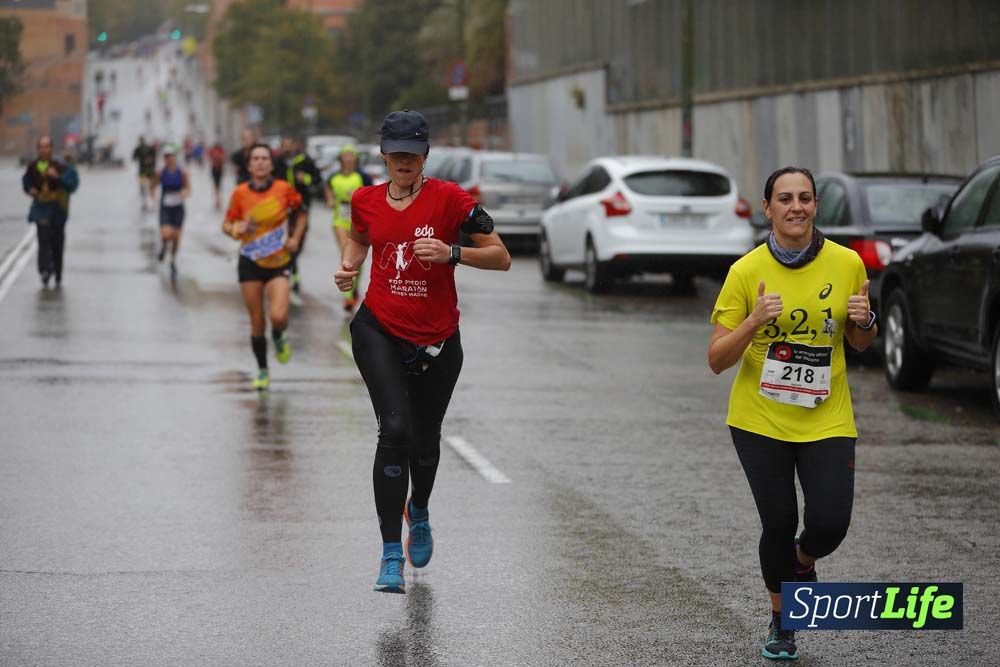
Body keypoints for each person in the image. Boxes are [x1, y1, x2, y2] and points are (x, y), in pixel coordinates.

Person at [334, 110, 511, 594]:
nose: (404, 160)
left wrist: (454, 253)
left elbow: (502, 257)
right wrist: (350, 266)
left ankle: (421, 511)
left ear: (425, 155)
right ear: (383, 155)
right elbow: (359, 236)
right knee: (394, 431)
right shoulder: (365, 199)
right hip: (380, 329)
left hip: (437, 340)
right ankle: (391, 555)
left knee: (425, 441)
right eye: (396, 152)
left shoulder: (451, 200)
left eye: (413, 152)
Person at [707, 166, 877, 661]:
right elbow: (717, 359)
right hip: (760, 419)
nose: (796, 207)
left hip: (826, 415)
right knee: (779, 521)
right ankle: (783, 622)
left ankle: (803, 562)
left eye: (805, 198)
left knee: (829, 523)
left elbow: (861, 342)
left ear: (815, 206)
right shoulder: (745, 272)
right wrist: (755, 320)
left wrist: (864, 321)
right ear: (768, 209)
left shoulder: (847, 264)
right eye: (785, 198)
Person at [222, 143, 306, 390]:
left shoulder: (284, 189)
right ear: (249, 166)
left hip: (279, 262)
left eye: (264, 158)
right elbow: (226, 225)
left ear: (271, 164)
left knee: (278, 316)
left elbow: (301, 214)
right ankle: (262, 369)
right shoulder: (240, 194)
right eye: (255, 159)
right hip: (249, 262)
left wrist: (295, 238)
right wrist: (235, 229)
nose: (260, 162)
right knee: (257, 321)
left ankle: (279, 335)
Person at [21, 136, 79, 288]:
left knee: (57, 243)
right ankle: (45, 270)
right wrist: (30, 190)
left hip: (59, 210)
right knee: (43, 240)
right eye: (41, 146)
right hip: (41, 210)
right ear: (37, 149)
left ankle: (58, 273)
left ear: (52, 149)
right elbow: (26, 182)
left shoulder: (62, 166)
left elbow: (73, 184)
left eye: (47, 146)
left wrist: (57, 177)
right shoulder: (33, 166)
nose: (44, 149)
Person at [325, 144, 372, 311]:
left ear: (356, 158)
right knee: (346, 255)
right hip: (340, 221)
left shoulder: (363, 177)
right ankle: (347, 297)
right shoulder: (333, 178)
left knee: (357, 258)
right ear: (341, 158)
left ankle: (355, 288)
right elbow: (328, 193)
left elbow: (372, 197)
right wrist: (330, 200)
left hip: (358, 220)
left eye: (351, 155)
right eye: (345, 155)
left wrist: (357, 197)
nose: (348, 158)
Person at [273, 135, 321, 293]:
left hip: (302, 206)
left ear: (295, 145)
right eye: (284, 145)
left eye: (289, 145)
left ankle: (292, 266)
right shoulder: (277, 162)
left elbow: (317, 180)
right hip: (283, 207)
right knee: (286, 240)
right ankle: (293, 272)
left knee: (298, 241)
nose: (287, 148)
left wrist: (305, 178)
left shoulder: (305, 161)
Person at [150, 144, 190, 277]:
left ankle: (173, 259)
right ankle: (163, 247)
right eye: (166, 157)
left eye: (171, 156)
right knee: (166, 234)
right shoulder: (161, 172)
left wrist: (184, 193)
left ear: (175, 157)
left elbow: (188, 188)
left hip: (178, 207)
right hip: (165, 206)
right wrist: (154, 199)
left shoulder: (182, 172)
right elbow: (153, 186)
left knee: (176, 237)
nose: (169, 159)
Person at [132, 136, 157, 211]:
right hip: (145, 171)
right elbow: (134, 158)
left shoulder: (144, 148)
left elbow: (134, 158)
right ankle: (147, 203)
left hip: (146, 171)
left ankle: (150, 203)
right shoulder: (139, 149)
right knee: (145, 188)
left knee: (148, 188)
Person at [208, 141, 226, 210]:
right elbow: (210, 156)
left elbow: (224, 158)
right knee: (217, 186)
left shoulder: (219, 150)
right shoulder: (216, 150)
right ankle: (218, 201)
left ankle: (218, 201)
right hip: (215, 169)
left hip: (219, 169)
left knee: (218, 186)